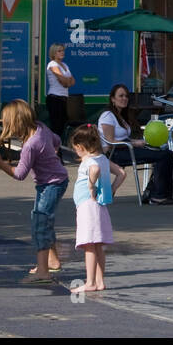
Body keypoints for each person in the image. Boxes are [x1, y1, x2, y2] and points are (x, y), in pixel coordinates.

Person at [0, 100, 68, 283]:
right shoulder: (41, 127)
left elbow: (20, 174)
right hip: (57, 180)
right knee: (45, 219)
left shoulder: (30, 145)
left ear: (16, 123)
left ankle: (43, 272)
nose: (6, 127)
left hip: (51, 185)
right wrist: (50, 156)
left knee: (40, 223)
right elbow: (57, 140)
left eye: (7, 123)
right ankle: (53, 261)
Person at [70, 125, 125, 293]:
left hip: (88, 206)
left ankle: (90, 282)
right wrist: (113, 188)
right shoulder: (103, 158)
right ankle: (100, 281)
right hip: (100, 206)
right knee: (98, 245)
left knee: (89, 245)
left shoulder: (90, 161)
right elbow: (122, 173)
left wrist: (91, 184)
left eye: (76, 149)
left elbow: (94, 170)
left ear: (80, 147)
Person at [99, 84, 173, 204]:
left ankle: (154, 191)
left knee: (167, 153)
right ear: (113, 99)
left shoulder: (121, 116)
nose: (124, 98)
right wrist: (134, 143)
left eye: (126, 96)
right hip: (115, 153)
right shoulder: (107, 116)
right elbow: (111, 141)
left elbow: (125, 138)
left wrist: (138, 142)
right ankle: (158, 196)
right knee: (164, 155)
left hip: (126, 149)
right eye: (120, 96)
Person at [44, 43, 74, 140]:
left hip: (63, 98)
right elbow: (63, 81)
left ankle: (58, 148)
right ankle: (54, 149)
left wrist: (67, 82)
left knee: (62, 125)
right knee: (56, 127)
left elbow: (72, 81)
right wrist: (66, 81)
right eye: (59, 51)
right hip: (55, 98)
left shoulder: (64, 65)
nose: (62, 52)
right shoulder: (52, 64)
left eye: (63, 50)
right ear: (54, 53)